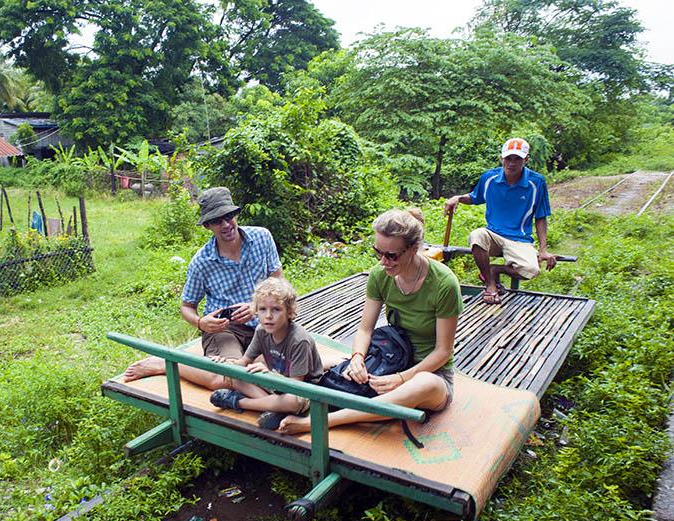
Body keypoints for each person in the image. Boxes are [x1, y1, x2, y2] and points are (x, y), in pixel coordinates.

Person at [279, 208, 464, 435]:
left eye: (392, 256)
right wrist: (358, 357)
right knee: (318, 359)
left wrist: (401, 379)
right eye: (378, 253)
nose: (383, 261)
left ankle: (324, 421)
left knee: (423, 383)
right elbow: (365, 328)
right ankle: (261, 391)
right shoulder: (380, 275)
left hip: (429, 374)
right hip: (390, 359)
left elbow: (443, 351)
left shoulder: (444, 283)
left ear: (414, 249)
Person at [123, 187, 282, 386]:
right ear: (208, 225)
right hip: (225, 328)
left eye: (229, 216)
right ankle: (167, 364)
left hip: (263, 323)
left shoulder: (262, 238)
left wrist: (256, 306)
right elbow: (186, 306)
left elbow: (278, 282)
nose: (225, 224)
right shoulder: (202, 262)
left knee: (273, 374)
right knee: (227, 377)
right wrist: (200, 323)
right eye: (217, 220)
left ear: (235, 214)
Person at [443, 137, 556, 304]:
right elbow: (475, 197)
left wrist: (543, 249)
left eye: (517, 159)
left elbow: (541, 216)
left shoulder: (536, 182)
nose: (512, 163)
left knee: (531, 270)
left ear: (526, 159)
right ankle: (490, 284)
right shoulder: (489, 178)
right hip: (493, 234)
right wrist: (457, 198)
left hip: (519, 238)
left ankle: (494, 270)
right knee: (477, 235)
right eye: (508, 158)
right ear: (501, 158)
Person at [207, 277, 324, 430]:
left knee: (292, 401)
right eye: (262, 309)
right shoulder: (261, 331)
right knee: (233, 377)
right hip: (275, 382)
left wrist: (270, 375)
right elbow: (243, 362)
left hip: (303, 390)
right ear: (256, 311)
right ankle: (274, 408)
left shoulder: (299, 340)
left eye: (276, 309)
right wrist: (225, 364)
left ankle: (239, 402)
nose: (268, 316)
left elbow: (296, 385)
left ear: (289, 312)